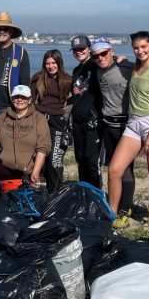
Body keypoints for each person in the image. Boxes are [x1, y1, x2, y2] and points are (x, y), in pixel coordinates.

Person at [106, 32, 149, 231]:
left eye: (144, 47)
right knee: (114, 170)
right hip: (133, 123)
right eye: (136, 47)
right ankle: (111, 214)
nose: (140, 51)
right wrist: (118, 59)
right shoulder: (134, 66)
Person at [0, 84, 50, 203]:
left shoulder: (39, 119)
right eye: (16, 97)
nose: (19, 100)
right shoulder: (3, 118)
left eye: (23, 97)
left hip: (28, 169)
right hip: (5, 165)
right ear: (12, 99)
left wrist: (35, 171)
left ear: (29, 100)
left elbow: (42, 149)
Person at [91, 37, 136, 219]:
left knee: (125, 169)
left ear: (112, 52)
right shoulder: (97, 71)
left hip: (127, 124)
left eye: (104, 53)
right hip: (109, 124)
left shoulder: (127, 68)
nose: (100, 58)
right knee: (112, 167)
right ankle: (115, 206)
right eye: (97, 56)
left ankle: (125, 208)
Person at [0, 11, 30, 149]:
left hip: (10, 107)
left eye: (5, 29)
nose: (2, 31)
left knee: (8, 145)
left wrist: (23, 107)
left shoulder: (20, 52)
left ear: (11, 31)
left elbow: (25, 81)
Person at [31, 49, 72, 193]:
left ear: (59, 63)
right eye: (47, 63)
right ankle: (38, 191)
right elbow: (30, 100)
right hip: (40, 121)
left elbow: (76, 97)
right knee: (39, 157)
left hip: (58, 122)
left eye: (53, 63)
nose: (51, 66)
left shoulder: (67, 80)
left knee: (54, 160)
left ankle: (55, 192)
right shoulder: (38, 78)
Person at [68, 35, 101, 188]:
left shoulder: (96, 65)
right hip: (78, 120)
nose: (78, 52)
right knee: (80, 160)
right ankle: (84, 194)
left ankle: (96, 196)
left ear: (89, 49)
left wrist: (120, 59)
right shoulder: (76, 71)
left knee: (92, 162)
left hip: (92, 121)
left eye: (81, 49)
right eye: (75, 50)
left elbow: (109, 60)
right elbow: (75, 94)